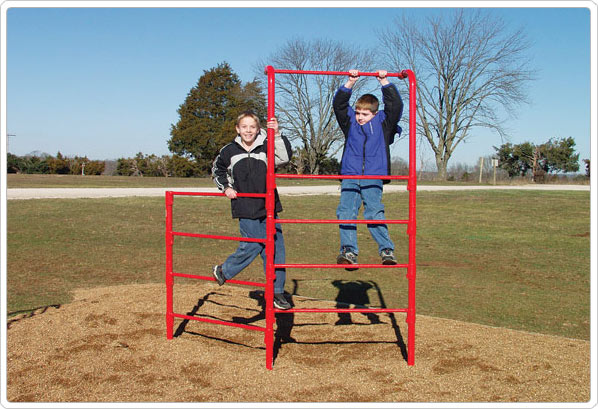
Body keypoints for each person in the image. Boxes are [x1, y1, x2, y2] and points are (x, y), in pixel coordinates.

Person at [211, 110, 293, 310]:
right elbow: (217, 170)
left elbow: (284, 157)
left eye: (252, 127)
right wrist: (227, 188)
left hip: (269, 205)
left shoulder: (267, 146)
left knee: (275, 249)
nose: (248, 131)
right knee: (254, 244)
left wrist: (277, 134)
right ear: (238, 129)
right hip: (245, 205)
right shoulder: (229, 150)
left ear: (258, 130)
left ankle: (277, 292)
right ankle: (224, 270)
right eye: (244, 127)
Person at [333, 69, 404, 269]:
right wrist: (350, 82)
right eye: (357, 113)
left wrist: (384, 81)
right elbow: (338, 105)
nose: (360, 117)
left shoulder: (383, 123)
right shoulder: (350, 123)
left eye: (365, 114)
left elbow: (395, 106)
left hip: (373, 175)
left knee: (373, 213)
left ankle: (386, 250)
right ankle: (348, 251)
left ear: (375, 113)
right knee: (346, 212)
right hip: (350, 175)